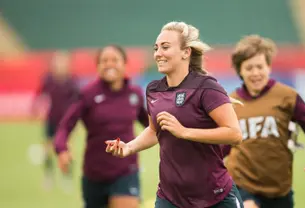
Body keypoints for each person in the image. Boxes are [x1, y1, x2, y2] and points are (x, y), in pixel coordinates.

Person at [105, 21, 244, 208]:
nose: (158, 54)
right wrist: (128, 148)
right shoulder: (154, 90)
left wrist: (185, 132)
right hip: (170, 199)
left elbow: (234, 134)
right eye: (156, 48)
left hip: (215, 197)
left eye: (165, 47)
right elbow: (155, 130)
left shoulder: (207, 87)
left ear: (186, 52)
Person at [223, 35, 305, 208]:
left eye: (260, 66)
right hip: (242, 184)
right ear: (240, 71)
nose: (256, 73)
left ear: (269, 67)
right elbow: (223, 144)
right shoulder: (231, 103)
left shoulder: (287, 97)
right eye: (249, 68)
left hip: (280, 189)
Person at [54, 45, 149, 208]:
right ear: (98, 66)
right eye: (104, 60)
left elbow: (150, 125)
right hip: (94, 174)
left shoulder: (135, 93)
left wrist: (172, 139)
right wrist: (62, 149)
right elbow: (65, 126)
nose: (109, 64)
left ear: (124, 64)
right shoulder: (88, 93)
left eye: (114, 60)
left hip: (126, 170)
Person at [31, 51, 79, 190]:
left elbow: (78, 101)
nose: (60, 65)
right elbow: (40, 94)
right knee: (47, 150)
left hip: (66, 122)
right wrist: (35, 108)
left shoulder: (72, 81)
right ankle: (48, 176)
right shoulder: (48, 79)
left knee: (67, 150)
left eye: (63, 62)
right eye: (57, 62)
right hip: (51, 120)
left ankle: (67, 178)